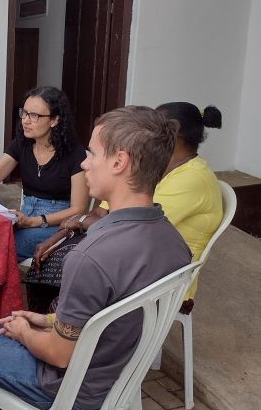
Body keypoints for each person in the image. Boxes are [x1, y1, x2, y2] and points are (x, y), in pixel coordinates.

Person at [0, 106, 191, 410]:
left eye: (92, 154)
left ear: (120, 162)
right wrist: (47, 321)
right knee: (23, 332)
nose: (84, 163)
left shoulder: (90, 255)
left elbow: (59, 355)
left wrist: (21, 331)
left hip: (74, 388)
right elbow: (111, 314)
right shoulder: (173, 242)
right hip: (117, 378)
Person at [34, 102, 223, 312]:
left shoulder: (192, 179)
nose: (85, 163)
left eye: (155, 127)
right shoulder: (152, 168)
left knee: (73, 264)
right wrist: (61, 233)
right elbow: (102, 212)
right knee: (58, 259)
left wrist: (77, 222)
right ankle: (57, 322)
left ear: (174, 134)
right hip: (135, 258)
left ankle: (59, 326)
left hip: (158, 279)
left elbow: (127, 225)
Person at [0, 86, 89, 261]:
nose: (26, 121)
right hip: (25, 216)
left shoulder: (74, 153)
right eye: (24, 113)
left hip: (58, 223)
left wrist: (35, 221)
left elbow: (78, 208)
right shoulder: (22, 143)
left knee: (1, 247)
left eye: (34, 116)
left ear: (54, 120)